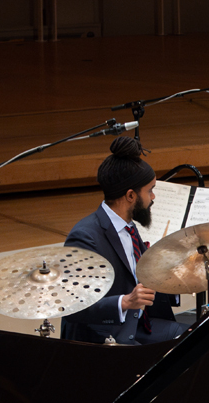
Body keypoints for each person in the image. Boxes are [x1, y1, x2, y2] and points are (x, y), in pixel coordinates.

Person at [63, 136, 185, 344]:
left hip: (139, 324)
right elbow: (73, 307)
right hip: (104, 335)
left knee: (200, 337)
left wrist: (178, 279)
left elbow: (141, 279)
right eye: (150, 190)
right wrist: (125, 302)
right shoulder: (85, 237)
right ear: (130, 196)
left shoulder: (128, 226)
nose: (153, 197)